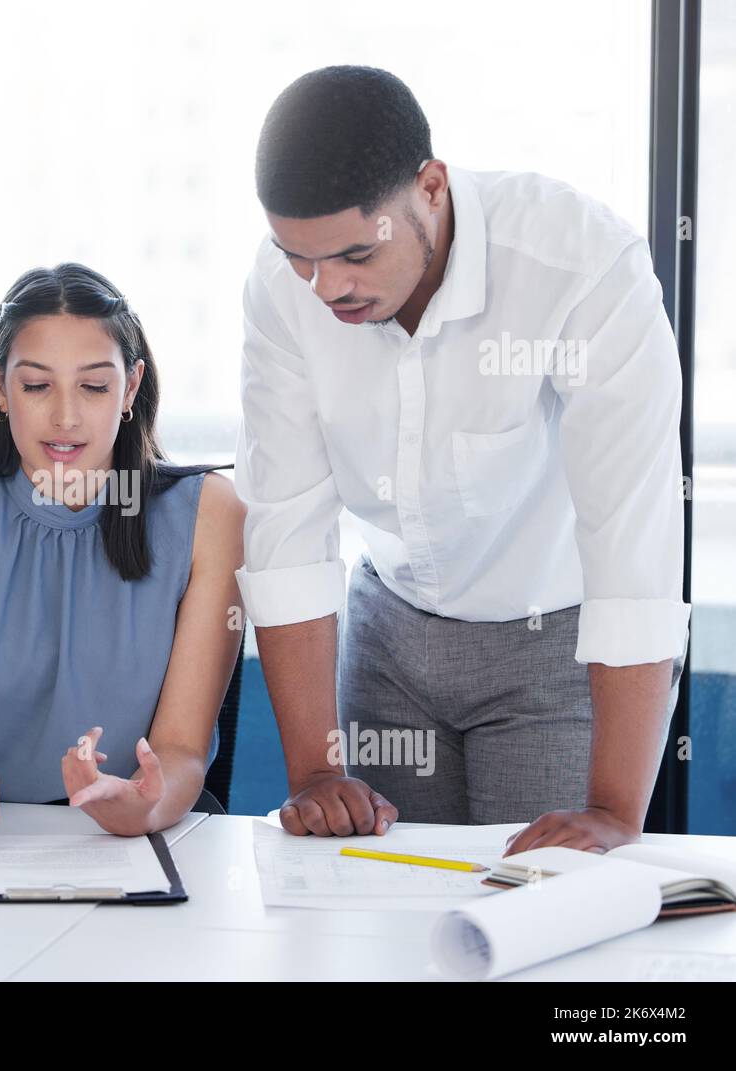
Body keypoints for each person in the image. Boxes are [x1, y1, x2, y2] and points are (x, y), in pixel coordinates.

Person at [236, 66, 688, 854]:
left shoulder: (580, 263)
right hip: (391, 634)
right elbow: (288, 530)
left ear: (432, 188)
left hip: (551, 638)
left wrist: (616, 814)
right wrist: (314, 772)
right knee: (388, 913)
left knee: (538, 904)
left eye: (351, 255)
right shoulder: (283, 287)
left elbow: (633, 545)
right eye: (300, 258)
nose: (325, 289)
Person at [0, 263, 245, 844]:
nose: (66, 416)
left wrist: (144, 807)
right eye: (36, 385)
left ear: (131, 387)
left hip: (138, 845)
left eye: (94, 386)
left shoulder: (211, 516)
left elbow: (182, 753)